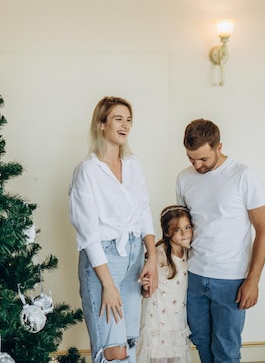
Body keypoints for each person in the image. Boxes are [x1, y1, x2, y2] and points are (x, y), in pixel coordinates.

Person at [69, 96, 158, 363]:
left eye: (129, 120)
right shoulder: (87, 171)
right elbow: (89, 235)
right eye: (118, 119)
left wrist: (151, 258)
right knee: (113, 350)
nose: (125, 125)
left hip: (134, 255)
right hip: (103, 262)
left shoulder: (133, 165)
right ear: (101, 124)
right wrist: (107, 285)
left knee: (129, 344)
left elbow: (144, 212)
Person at [175, 119, 265, 363]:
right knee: (201, 342)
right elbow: (182, 230)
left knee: (226, 350)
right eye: (190, 158)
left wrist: (253, 280)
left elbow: (264, 229)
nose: (197, 165)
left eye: (203, 159)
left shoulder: (243, 175)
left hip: (231, 280)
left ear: (219, 147)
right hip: (194, 276)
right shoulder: (184, 178)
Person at [138, 205, 193, 363]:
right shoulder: (159, 255)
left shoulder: (189, 253)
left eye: (187, 227)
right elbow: (144, 284)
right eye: (178, 229)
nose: (184, 233)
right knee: (158, 355)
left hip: (176, 319)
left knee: (174, 356)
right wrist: (145, 287)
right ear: (168, 232)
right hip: (157, 317)